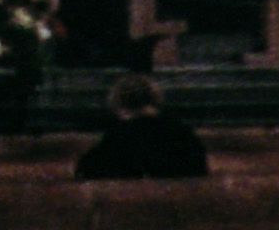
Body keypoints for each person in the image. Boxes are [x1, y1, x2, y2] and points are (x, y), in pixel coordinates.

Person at [74, 72, 210, 180]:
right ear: (154, 98)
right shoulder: (180, 131)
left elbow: (86, 169)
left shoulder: (117, 135)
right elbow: (199, 166)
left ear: (118, 102)